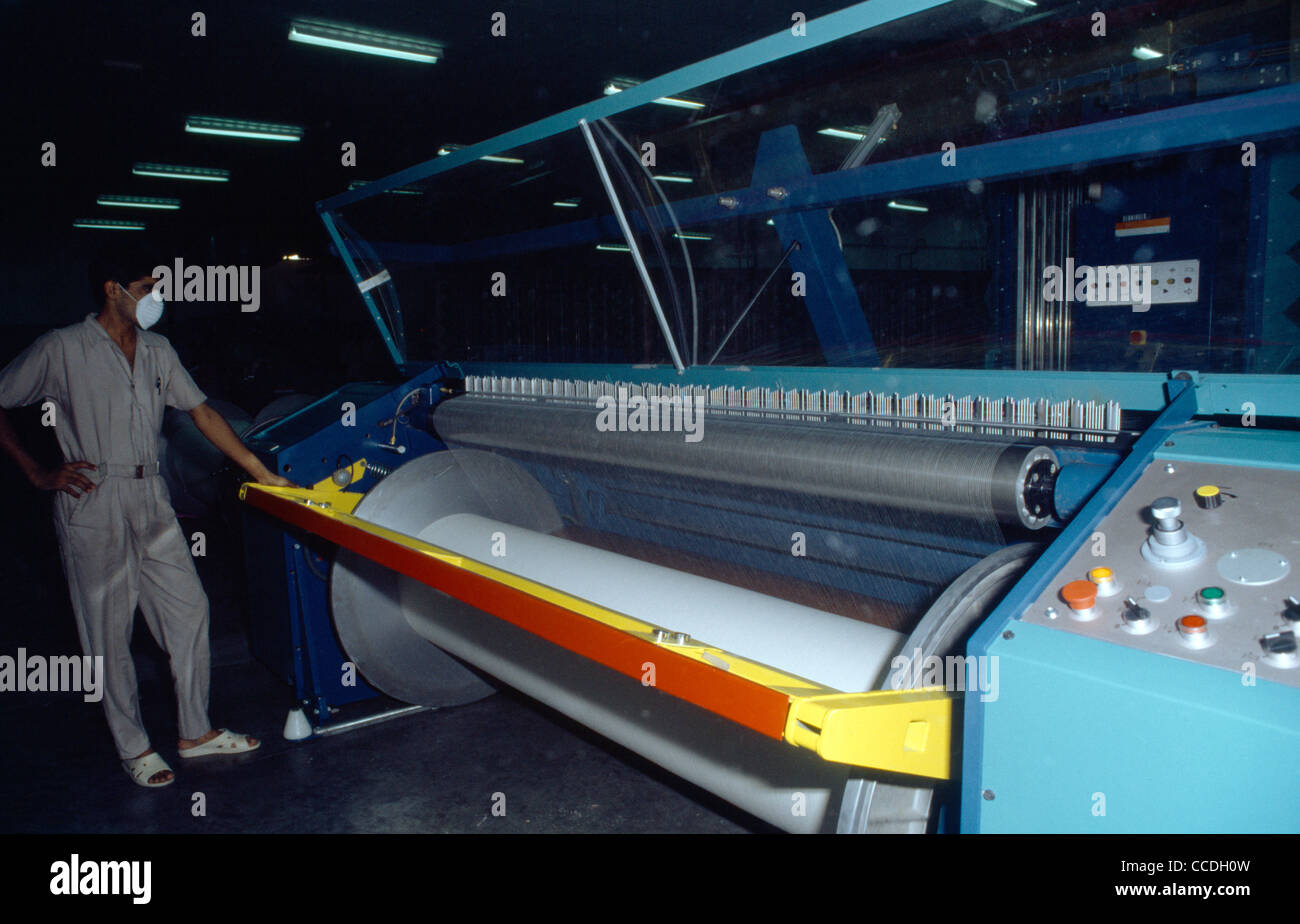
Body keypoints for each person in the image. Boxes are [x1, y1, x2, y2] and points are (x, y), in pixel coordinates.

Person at [0, 251, 292, 788]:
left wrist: (259, 470)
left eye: (159, 284)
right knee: (107, 632)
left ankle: (195, 733)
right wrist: (39, 474)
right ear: (113, 290)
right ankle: (133, 747)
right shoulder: (62, 347)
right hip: (93, 498)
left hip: (151, 493)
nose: (158, 295)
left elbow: (201, 410)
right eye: (147, 285)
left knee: (190, 609)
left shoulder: (158, 349)